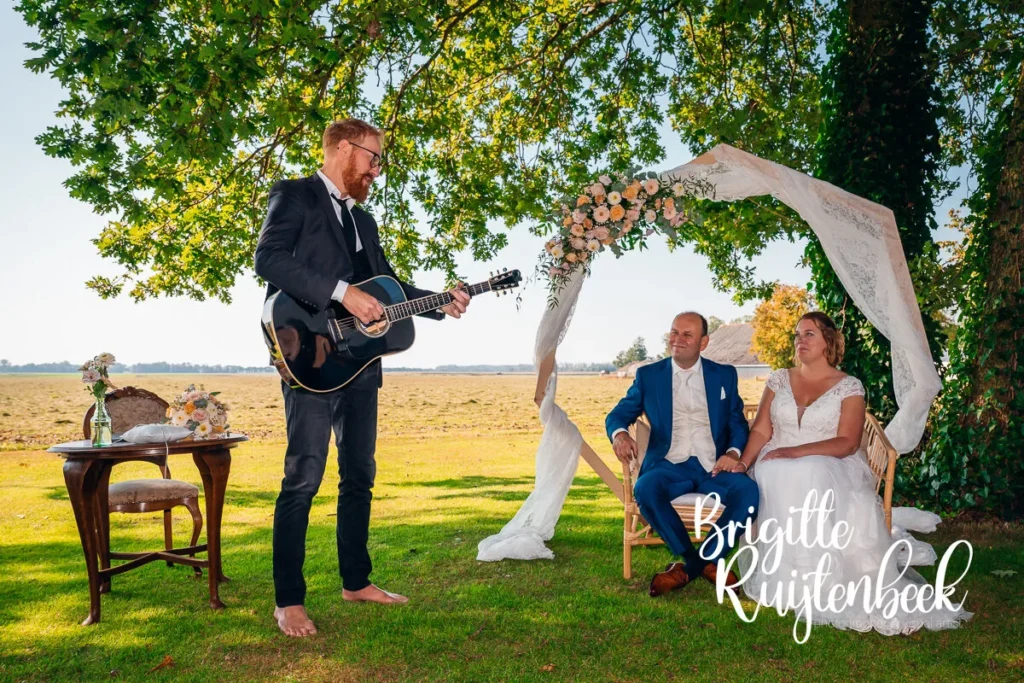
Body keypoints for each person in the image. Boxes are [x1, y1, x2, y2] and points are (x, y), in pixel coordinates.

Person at [254, 118, 471, 637]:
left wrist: (444, 301)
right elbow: (270, 259)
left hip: (361, 366)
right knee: (302, 479)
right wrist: (340, 292)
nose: (377, 169)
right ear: (342, 150)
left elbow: (389, 286)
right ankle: (289, 600)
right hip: (308, 357)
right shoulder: (295, 196)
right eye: (372, 157)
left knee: (360, 476)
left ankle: (357, 582)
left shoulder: (365, 221)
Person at [719, 312, 971, 634]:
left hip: (829, 457)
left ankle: (820, 579)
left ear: (828, 341)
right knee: (772, 471)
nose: (801, 341)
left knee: (809, 472)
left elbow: (848, 442)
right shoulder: (779, 379)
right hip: (777, 455)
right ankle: (788, 578)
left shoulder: (848, 385)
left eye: (809, 334)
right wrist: (743, 463)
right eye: (798, 335)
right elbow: (760, 431)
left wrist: (797, 451)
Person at [606, 312, 759, 597]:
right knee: (646, 488)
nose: (677, 340)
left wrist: (733, 452)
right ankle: (700, 563)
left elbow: (736, 422)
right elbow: (618, 414)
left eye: (687, 334)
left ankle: (690, 567)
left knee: (749, 495)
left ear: (703, 342)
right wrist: (620, 434)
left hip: (714, 467)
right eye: (674, 332)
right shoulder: (649, 376)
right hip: (669, 466)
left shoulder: (724, 375)